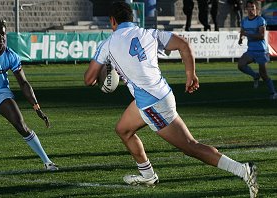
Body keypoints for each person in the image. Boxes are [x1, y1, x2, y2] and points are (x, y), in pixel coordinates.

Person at [84, 2, 258, 197]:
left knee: (191, 147)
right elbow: (183, 44)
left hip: (152, 104)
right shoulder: (148, 33)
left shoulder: (106, 45)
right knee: (123, 130)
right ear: (131, 19)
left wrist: (103, 71)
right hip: (159, 94)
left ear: (112, 21)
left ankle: (243, 170)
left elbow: (89, 79)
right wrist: (191, 75)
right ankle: (148, 175)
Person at [0, 20, 58, 171]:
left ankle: (47, 162)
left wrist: (37, 108)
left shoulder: (11, 55)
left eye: (2, 34)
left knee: (21, 125)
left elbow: (24, 84)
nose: (0, 37)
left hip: (0, 93)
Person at [238, 0, 277, 99]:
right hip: (251, 50)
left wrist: (247, 34)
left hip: (261, 51)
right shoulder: (244, 21)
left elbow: (261, 36)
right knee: (241, 65)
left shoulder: (260, 20)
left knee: (264, 74)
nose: (251, 9)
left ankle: (273, 92)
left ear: (257, 9)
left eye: (253, 7)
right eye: (249, 7)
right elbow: (242, 33)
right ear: (246, 9)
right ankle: (255, 75)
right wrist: (240, 39)